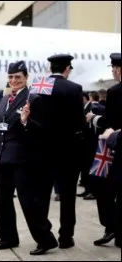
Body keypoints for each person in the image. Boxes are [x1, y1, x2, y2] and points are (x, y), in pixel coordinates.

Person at [0, 61, 58, 255]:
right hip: (2, 158)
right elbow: (0, 127)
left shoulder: (33, 99)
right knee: (2, 201)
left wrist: (26, 122)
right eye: (10, 77)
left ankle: (45, 239)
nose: (13, 80)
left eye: (17, 77)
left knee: (28, 202)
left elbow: (42, 130)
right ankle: (8, 237)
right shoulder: (4, 101)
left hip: (23, 160)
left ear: (26, 77)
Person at [38, 54, 86, 249]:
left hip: (43, 150)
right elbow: (79, 122)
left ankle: (43, 234)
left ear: (51, 69)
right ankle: (66, 236)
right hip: (68, 151)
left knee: (42, 195)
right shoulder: (74, 88)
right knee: (68, 197)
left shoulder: (40, 86)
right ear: (67, 69)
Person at [86, 53, 122, 247]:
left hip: (115, 148)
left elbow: (109, 121)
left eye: (113, 68)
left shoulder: (116, 91)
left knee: (104, 190)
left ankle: (112, 227)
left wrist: (93, 118)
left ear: (118, 69)